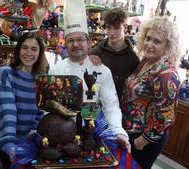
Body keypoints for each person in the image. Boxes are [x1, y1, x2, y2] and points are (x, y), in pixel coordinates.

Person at [49, 0, 130, 152]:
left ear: (88, 42)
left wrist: (118, 131)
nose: (75, 44)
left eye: (80, 39)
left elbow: (111, 105)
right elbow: (49, 106)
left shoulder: (103, 71)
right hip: (61, 134)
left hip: (92, 134)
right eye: (70, 40)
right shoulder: (57, 69)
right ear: (65, 43)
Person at [120, 16, 182, 169]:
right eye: (148, 38)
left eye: (157, 41)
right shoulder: (146, 61)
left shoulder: (167, 74)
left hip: (144, 138)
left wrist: (142, 141)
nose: (149, 44)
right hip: (129, 131)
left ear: (168, 46)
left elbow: (167, 117)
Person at [0, 32, 48, 169]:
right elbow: (8, 111)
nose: (28, 53)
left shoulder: (41, 79)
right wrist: (10, 145)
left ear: (40, 53)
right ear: (18, 50)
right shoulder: (7, 73)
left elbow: (40, 113)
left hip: (32, 145)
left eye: (34, 49)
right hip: (11, 144)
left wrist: (34, 134)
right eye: (24, 47)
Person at [90, 8, 140, 101]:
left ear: (125, 28)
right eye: (109, 27)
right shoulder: (95, 52)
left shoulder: (133, 59)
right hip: (95, 106)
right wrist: (87, 59)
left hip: (120, 110)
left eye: (117, 28)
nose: (112, 33)